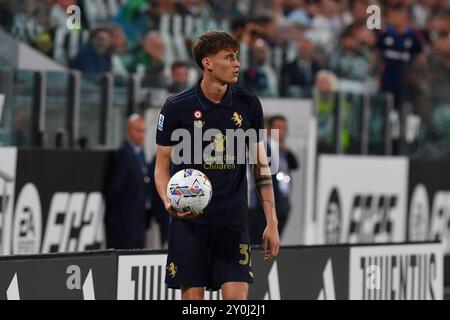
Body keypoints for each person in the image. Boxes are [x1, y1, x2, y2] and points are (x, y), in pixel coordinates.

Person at [154, 31, 280, 300]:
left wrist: (272, 220)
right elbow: (161, 166)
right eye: (229, 57)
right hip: (190, 222)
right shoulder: (176, 107)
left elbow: (261, 166)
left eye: (237, 57)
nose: (237, 64)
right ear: (207, 63)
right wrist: (168, 201)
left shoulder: (248, 104)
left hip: (232, 221)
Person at [104, 114, 151, 249]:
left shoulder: (140, 154)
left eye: (144, 131)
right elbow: (113, 189)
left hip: (139, 221)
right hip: (123, 224)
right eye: (138, 130)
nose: (142, 135)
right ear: (128, 131)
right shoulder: (123, 154)